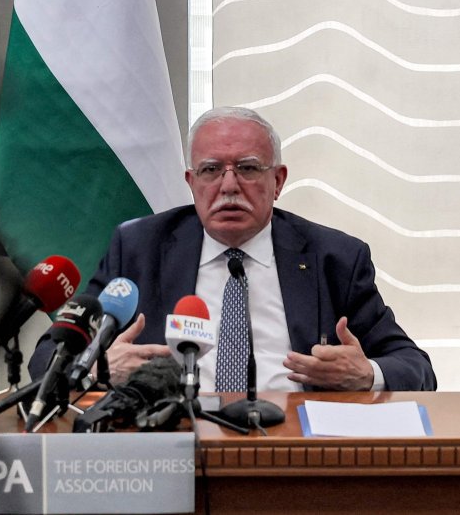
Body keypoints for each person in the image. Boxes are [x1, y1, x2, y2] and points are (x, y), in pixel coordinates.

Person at [30, 106, 435, 392]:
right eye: (210, 170)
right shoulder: (138, 249)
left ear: (277, 181)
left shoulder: (336, 258)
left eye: (247, 168)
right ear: (191, 182)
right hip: (171, 444)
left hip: (294, 451)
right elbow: (46, 358)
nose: (228, 186)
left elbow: (416, 368)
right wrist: (99, 368)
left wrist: (366, 375)